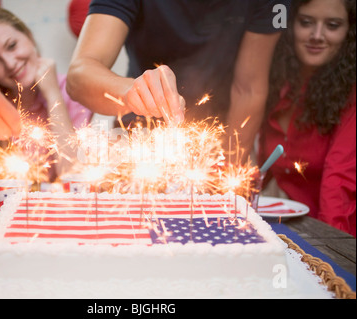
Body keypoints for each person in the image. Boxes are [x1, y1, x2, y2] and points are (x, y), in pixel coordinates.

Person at [67, 0, 289, 158]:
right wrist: (132, 92)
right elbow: (78, 75)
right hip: (140, 144)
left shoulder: (274, 4)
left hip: (216, 144)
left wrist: (230, 169)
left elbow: (249, 89)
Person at [0, 6, 92, 198]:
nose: (10, 63)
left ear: (28, 35)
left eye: (12, 45)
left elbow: (74, 178)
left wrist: (53, 94)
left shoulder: (70, 91)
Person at [259, 0, 356, 236]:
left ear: (348, 33)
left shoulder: (351, 96)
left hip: (330, 233)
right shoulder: (273, 83)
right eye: (306, 23)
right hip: (283, 228)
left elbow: (339, 182)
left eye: (332, 25)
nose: (317, 35)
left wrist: (332, 249)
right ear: (290, 25)